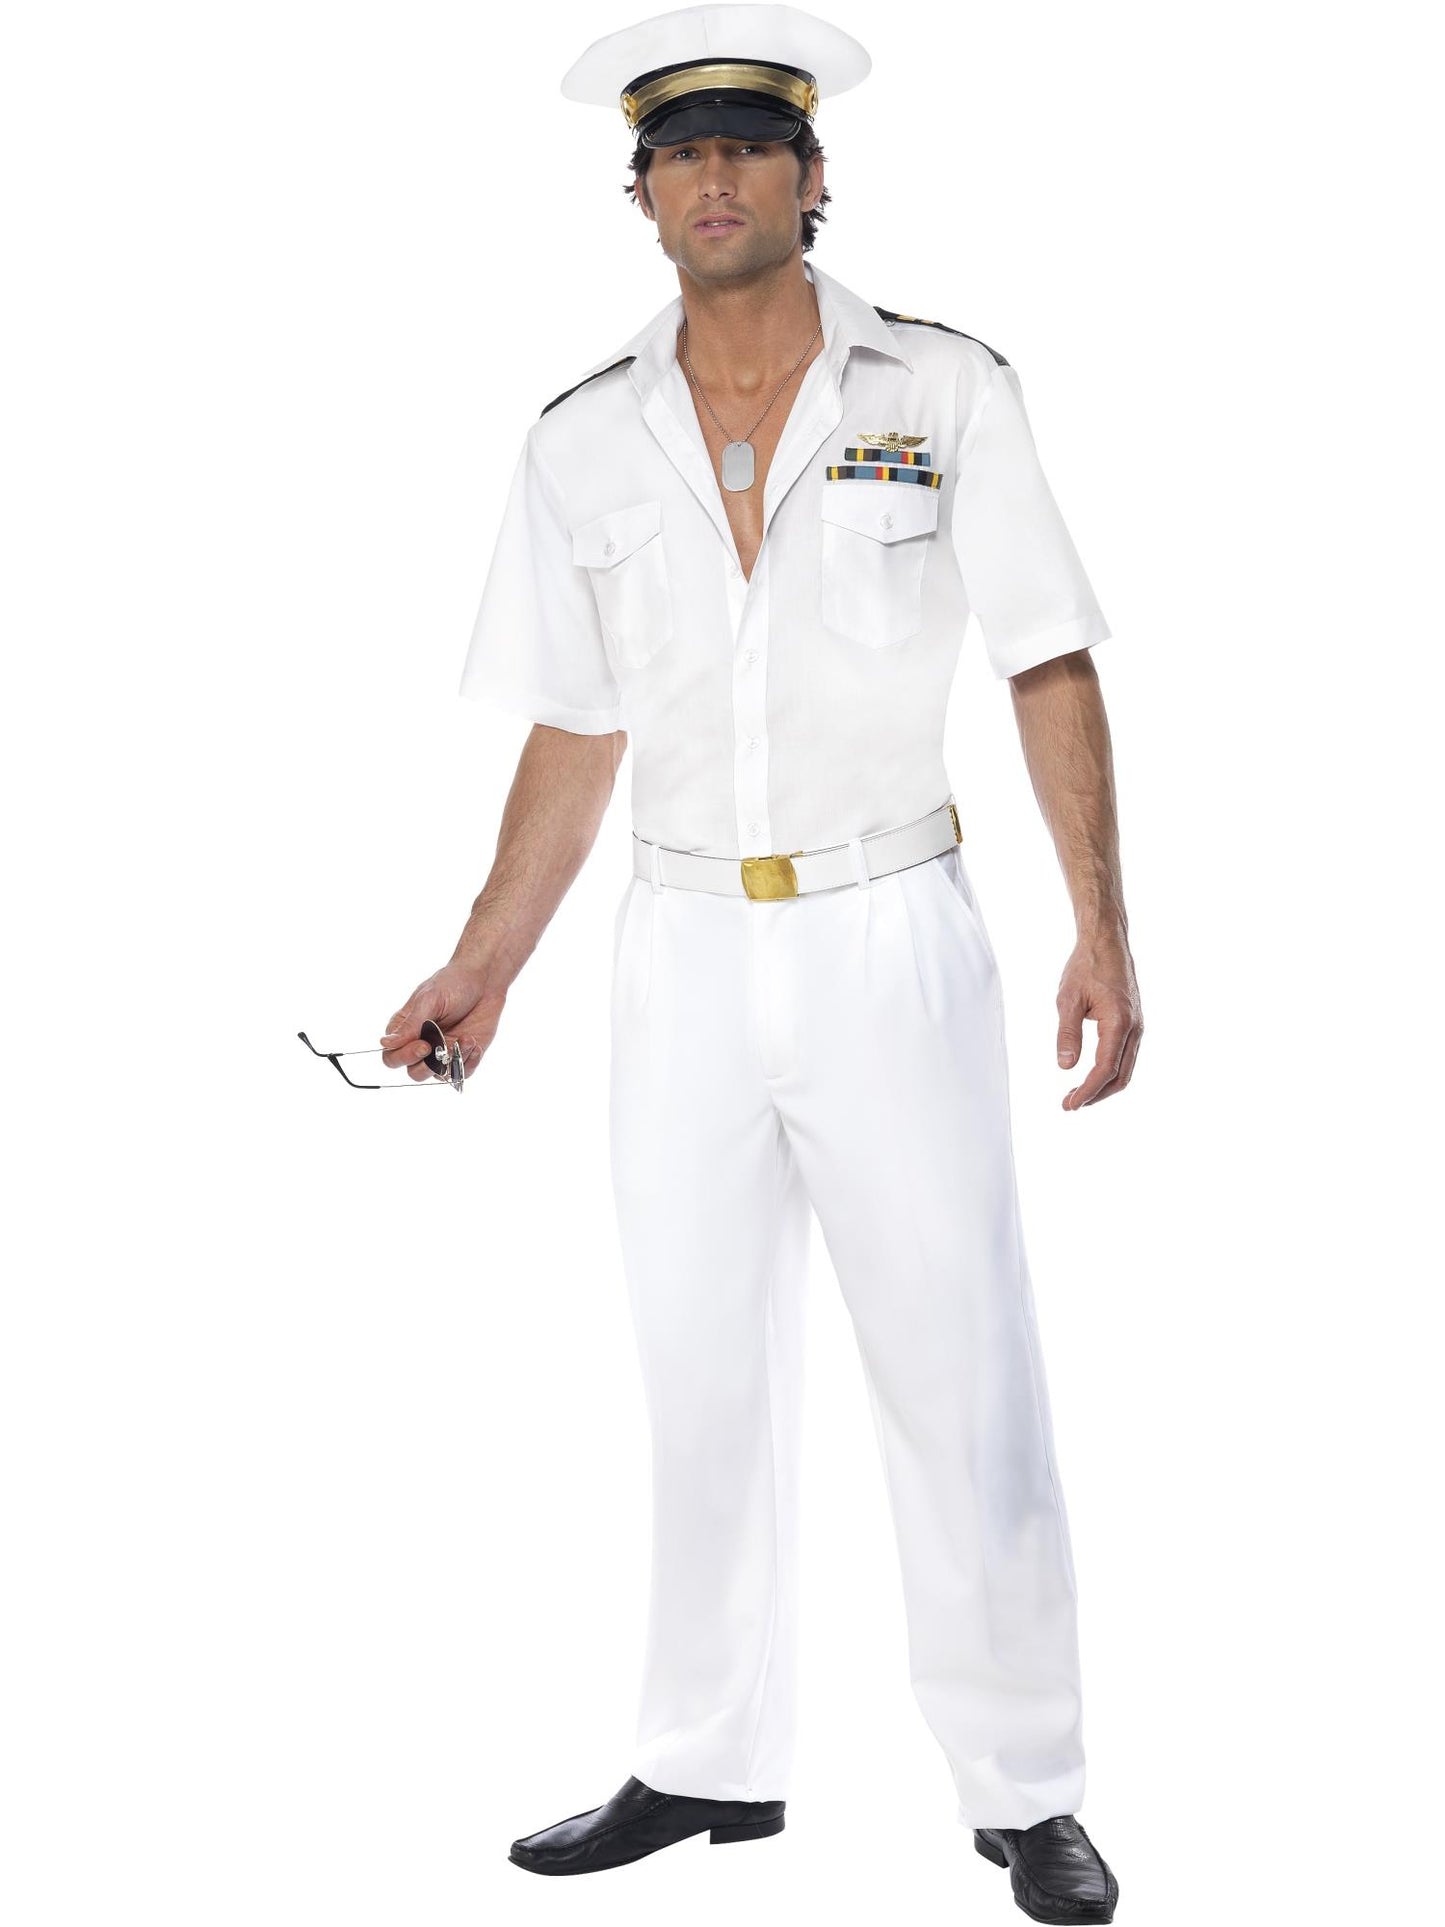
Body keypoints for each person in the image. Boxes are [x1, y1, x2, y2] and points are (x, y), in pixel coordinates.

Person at [380, 6, 1140, 1919]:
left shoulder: (943, 388)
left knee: (960, 1365)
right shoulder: (580, 438)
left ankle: (1025, 1784)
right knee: (698, 1368)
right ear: (637, 198)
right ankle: (703, 1760)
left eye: (747, 145)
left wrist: (1101, 927)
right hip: (680, 945)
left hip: (891, 928)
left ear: (813, 177)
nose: (712, 177)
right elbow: (576, 725)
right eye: (677, 153)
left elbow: (1044, 655)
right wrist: (485, 962)